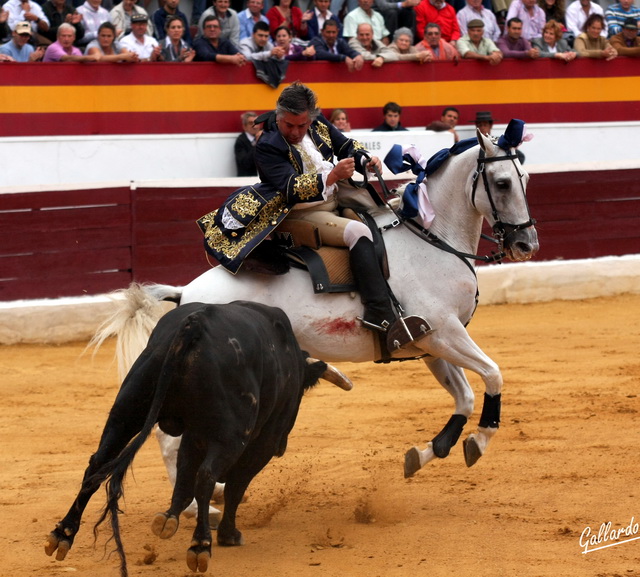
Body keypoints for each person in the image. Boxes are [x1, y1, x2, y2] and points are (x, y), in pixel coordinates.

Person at [202, 82, 414, 339]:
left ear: (311, 117)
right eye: (288, 125)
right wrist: (333, 175)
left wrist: (363, 158)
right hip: (298, 213)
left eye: (301, 125)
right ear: (278, 115)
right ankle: (379, 313)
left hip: (334, 201)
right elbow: (290, 188)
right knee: (357, 232)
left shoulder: (317, 123)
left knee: (384, 223)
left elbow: (345, 145)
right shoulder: (268, 144)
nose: (295, 132)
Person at [234, 111, 262, 176]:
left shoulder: (266, 137)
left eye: (257, 123)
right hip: (247, 180)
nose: (255, 127)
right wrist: (257, 143)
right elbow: (245, 164)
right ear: (244, 126)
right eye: (251, 123)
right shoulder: (240, 141)